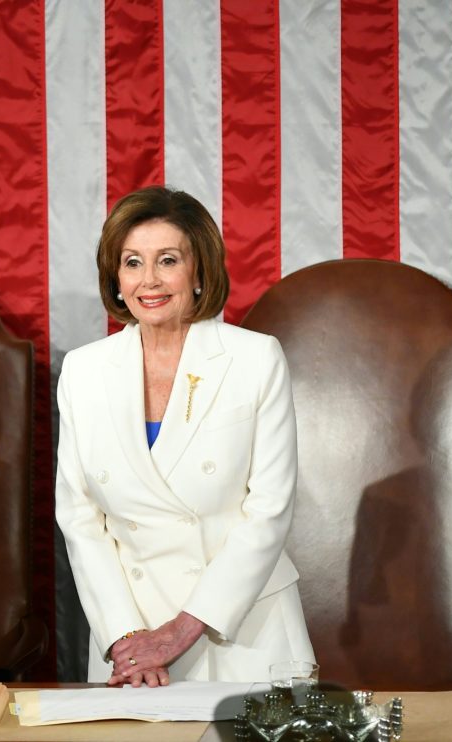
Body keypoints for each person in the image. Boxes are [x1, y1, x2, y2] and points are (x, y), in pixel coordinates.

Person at [55, 186, 314, 687]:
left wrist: (180, 631)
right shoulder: (84, 371)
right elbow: (79, 518)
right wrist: (128, 637)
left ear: (199, 272)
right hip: (130, 648)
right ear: (116, 278)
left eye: (168, 260)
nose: (148, 280)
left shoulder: (255, 358)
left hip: (242, 633)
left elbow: (270, 509)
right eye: (132, 262)